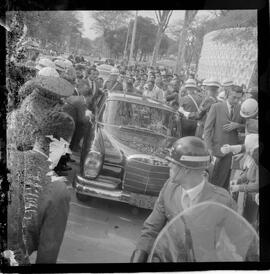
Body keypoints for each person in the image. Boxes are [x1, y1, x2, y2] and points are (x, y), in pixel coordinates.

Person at [131, 136, 237, 262]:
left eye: (173, 162)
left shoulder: (223, 201)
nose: (168, 164)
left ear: (186, 169)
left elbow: (237, 242)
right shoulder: (169, 188)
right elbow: (151, 228)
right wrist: (139, 256)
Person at [203, 85, 245, 190]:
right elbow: (207, 129)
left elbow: (248, 127)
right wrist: (209, 149)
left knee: (226, 181)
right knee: (213, 180)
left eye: (239, 98)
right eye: (234, 97)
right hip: (217, 151)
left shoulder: (240, 109)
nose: (236, 100)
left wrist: (238, 125)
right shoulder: (216, 107)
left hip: (232, 152)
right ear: (227, 95)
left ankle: (220, 202)